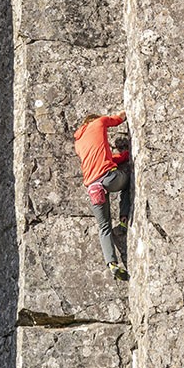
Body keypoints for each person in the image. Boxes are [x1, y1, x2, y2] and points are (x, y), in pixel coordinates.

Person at [74, 111, 131, 280]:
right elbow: (118, 119)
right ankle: (123, 220)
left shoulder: (78, 143)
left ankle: (112, 264)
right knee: (128, 182)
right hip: (110, 178)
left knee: (104, 226)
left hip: (93, 187)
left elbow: (101, 158)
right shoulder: (99, 122)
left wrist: (121, 157)